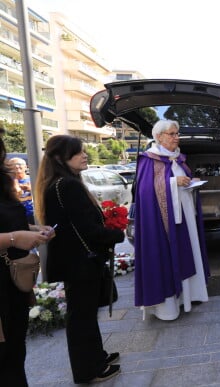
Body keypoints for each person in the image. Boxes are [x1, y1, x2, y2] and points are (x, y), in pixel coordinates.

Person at [34, 135, 124, 384]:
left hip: (76, 261)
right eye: (78, 153)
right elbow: (87, 228)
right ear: (61, 158)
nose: (84, 156)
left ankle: (97, 356)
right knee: (81, 317)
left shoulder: (59, 183)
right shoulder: (67, 185)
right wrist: (116, 234)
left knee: (84, 314)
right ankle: (88, 370)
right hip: (80, 263)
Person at [133, 119, 210, 321]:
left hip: (184, 215)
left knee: (188, 252)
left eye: (177, 133)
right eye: (172, 134)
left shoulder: (178, 159)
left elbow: (181, 180)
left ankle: (190, 295)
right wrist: (173, 182)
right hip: (163, 222)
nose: (177, 137)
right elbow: (144, 191)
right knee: (168, 257)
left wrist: (190, 181)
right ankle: (168, 307)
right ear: (159, 137)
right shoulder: (149, 159)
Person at [0, 136, 53, 386]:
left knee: (14, 355)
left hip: (12, 284)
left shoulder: (3, 179)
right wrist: (14, 238)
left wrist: (33, 229)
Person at [9, 157, 34, 224]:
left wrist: (30, 189)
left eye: (19, 164)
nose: (17, 166)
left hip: (33, 214)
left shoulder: (33, 179)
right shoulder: (7, 183)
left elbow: (40, 195)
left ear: (25, 167)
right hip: (16, 216)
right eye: (13, 165)